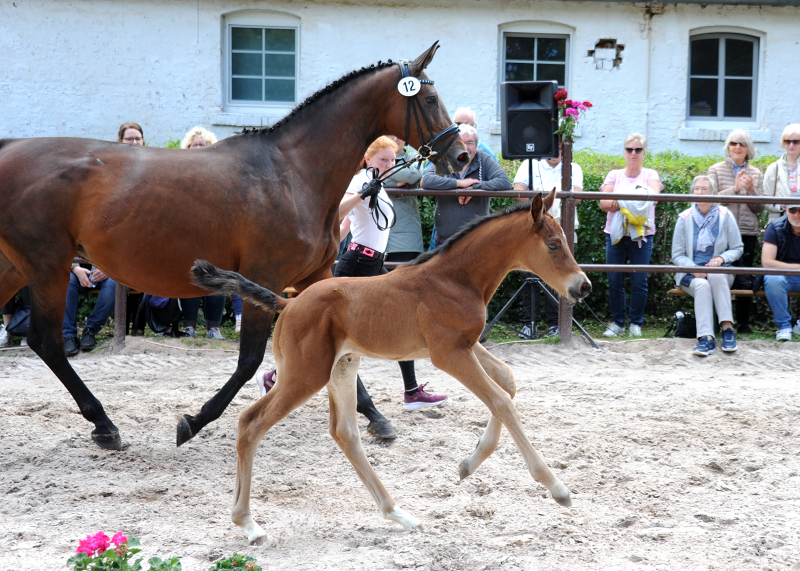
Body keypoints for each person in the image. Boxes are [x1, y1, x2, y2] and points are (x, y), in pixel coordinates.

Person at [258, 137, 447, 440]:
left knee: (404, 319)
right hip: (357, 264)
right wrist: (361, 194)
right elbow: (338, 211)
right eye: (383, 160)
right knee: (342, 340)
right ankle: (280, 377)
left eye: (392, 160)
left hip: (374, 264)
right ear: (369, 159)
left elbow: (348, 224)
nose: (389, 165)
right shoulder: (361, 180)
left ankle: (411, 391)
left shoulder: (377, 182)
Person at [512, 143, 583, 338]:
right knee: (529, 276)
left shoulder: (573, 168)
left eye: (561, 147)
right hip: (536, 229)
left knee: (558, 274)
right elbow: (518, 189)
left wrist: (544, 199)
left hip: (560, 229)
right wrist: (540, 207)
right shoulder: (530, 165)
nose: (557, 151)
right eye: (553, 147)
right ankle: (530, 322)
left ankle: (555, 323)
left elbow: (575, 197)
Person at [599, 133, 663, 337]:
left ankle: (636, 322)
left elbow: (653, 199)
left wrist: (620, 201)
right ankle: (617, 323)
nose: (633, 153)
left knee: (639, 281)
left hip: (642, 235)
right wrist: (635, 201)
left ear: (644, 153)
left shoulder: (651, 174)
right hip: (615, 235)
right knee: (614, 280)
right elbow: (604, 203)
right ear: (624, 152)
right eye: (629, 149)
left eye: (638, 150)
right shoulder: (614, 175)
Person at [671, 176, 743, 356]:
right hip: (691, 273)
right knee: (702, 285)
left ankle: (727, 330)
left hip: (720, 271)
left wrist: (720, 258)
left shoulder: (725, 216)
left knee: (716, 275)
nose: (700, 193)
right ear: (692, 192)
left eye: (705, 189)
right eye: (697, 189)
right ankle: (706, 338)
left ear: (713, 193)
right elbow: (677, 255)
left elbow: (737, 248)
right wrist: (694, 268)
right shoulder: (684, 218)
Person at [707, 129, 764, 334]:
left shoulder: (756, 173)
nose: (737, 147)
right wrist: (735, 188)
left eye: (742, 144)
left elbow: (759, 207)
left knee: (744, 279)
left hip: (747, 231)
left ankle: (743, 323)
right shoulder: (715, 170)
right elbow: (710, 201)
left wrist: (750, 192)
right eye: (733, 143)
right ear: (728, 147)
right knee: (717, 275)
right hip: (720, 231)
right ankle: (715, 321)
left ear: (749, 149)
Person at [422, 124, 512, 249]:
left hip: (477, 243)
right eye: (460, 142)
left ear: (476, 145)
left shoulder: (484, 159)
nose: (465, 147)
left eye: (470, 143)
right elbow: (427, 180)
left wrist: (473, 189)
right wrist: (459, 185)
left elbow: (504, 182)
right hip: (444, 242)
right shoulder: (443, 158)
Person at [178, 126, 226, 339]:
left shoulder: (220, 172)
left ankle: (213, 328)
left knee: (217, 277)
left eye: (203, 144)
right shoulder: (180, 171)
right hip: (187, 234)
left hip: (215, 234)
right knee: (190, 276)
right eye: (194, 144)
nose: (198, 148)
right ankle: (189, 326)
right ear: (187, 148)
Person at [762, 204, 800, 340]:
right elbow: (767, 262)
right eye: (793, 210)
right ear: (786, 210)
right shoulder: (775, 226)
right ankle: (784, 326)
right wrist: (797, 268)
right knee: (773, 279)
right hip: (783, 276)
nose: (797, 214)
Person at [384, 135, 425, 263]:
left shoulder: (413, 158)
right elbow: (367, 177)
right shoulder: (368, 159)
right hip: (372, 236)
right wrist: (396, 182)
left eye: (399, 135)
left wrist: (382, 170)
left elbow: (414, 175)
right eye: (391, 134)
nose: (395, 139)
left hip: (405, 239)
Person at [63, 264, 117, 356]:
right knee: (65, 280)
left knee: (114, 284)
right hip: (77, 270)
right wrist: (75, 268)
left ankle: (90, 330)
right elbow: (61, 253)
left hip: (111, 271)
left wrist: (111, 269)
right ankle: (68, 336)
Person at [764, 124, 800, 224]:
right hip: (779, 223)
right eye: (787, 141)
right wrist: (780, 206)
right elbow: (764, 199)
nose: (791, 145)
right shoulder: (774, 168)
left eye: (796, 142)